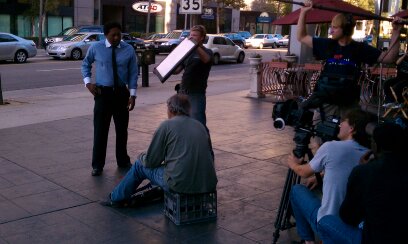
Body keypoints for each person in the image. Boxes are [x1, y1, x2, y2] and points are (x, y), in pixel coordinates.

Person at [102, 94, 217, 207]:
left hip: (180, 185)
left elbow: (150, 161)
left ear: (171, 109)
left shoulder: (167, 125)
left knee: (139, 166)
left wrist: (141, 156)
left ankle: (115, 198)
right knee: (170, 167)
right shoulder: (199, 125)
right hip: (207, 185)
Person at [297, 0, 402, 120]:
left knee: (349, 135)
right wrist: (303, 12)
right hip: (325, 104)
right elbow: (301, 36)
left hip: (348, 106)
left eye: (335, 28)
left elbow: (390, 58)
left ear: (346, 30)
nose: (331, 31)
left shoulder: (360, 48)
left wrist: (396, 31)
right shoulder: (327, 44)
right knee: (321, 135)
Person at [287, 109, 371, 244]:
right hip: (352, 228)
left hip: (328, 225)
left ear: (351, 128)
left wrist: (293, 164)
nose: (339, 124)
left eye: (343, 121)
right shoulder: (368, 154)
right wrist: (321, 174)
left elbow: (303, 172)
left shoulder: (330, 147)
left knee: (296, 191)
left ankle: (309, 241)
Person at [317, 122, 408, 244]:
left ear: (376, 146)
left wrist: (361, 173)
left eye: (372, 140)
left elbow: (348, 217)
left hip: (372, 239)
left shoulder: (364, 172)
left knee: (325, 220)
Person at [81, 22, 138, 176]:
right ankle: (97, 165)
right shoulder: (96, 48)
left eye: (118, 34)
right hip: (102, 94)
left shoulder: (128, 49)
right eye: (113, 34)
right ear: (105, 34)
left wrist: (132, 95)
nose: (116, 37)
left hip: (121, 94)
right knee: (101, 130)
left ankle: (123, 160)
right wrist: (88, 83)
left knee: (122, 130)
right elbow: (85, 64)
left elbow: (133, 73)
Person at [174, 25, 213, 130]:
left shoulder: (207, 52)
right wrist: (165, 68)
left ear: (201, 38)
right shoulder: (187, 53)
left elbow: (206, 60)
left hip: (196, 93)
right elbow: (177, 70)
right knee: (182, 123)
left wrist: (195, 46)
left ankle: (205, 145)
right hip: (183, 92)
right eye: (190, 35)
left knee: (198, 124)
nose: (191, 37)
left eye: (195, 35)